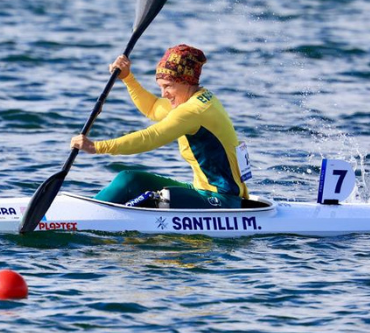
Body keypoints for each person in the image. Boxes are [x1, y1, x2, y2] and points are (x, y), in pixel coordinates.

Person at [70, 44, 250, 209]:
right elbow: (153, 107)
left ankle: (90, 218)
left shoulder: (193, 111)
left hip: (223, 200)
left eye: (168, 86)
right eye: (161, 87)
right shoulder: (198, 98)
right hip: (201, 190)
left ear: (186, 81)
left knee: (160, 199)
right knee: (129, 179)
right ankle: (88, 210)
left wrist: (96, 147)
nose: (164, 94)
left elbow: (150, 138)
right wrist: (127, 77)